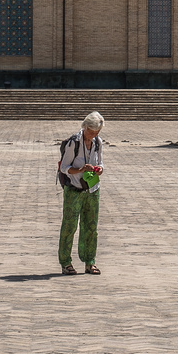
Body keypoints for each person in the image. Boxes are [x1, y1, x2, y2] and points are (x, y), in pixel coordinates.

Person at [58, 111, 104, 275]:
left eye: (96, 132)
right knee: (69, 226)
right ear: (85, 127)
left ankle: (89, 261)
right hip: (74, 189)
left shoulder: (98, 142)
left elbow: (101, 163)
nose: (93, 135)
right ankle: (65, 262)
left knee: (91, 226)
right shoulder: (73, 143)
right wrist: (80, 169)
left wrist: (99, 170)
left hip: (92, 189)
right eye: (91, 131)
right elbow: (64, 167)